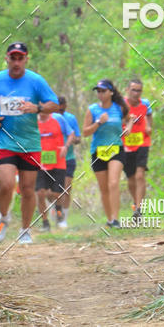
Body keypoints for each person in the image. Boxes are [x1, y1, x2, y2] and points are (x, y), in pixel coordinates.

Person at [0, 42, 59, 244]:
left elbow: (55, 104)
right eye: (12, 58)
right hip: (4, 140)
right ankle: (4, 217)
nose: (16, 62)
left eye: (20, 58)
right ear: (6, 58)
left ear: (26, 59)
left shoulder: (35, 80)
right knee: (5, 184)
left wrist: (37, 107)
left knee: (27, 189)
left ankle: (25, 229)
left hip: (30, 143)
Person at [83, 79, 132, 227]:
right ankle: (110, 219)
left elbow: (130, 118)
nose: (100, 94)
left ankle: (116, 219)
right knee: (104, 188)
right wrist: (98, 122)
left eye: (103, 91)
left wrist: (128, 127)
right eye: (98, 91)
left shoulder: (119, 108)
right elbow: (85, 132)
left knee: (113, 183)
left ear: (111, 92)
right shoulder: (92, 109)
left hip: (116, 149)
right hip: (98, 151)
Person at [36, 108, 71, 230]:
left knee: (56, 194)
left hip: (58, 163)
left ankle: (59, 211)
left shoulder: (58, 119)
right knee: (40, 193)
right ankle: (45, 223)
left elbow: (71, 133)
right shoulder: (33, 121)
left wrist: (66, 146)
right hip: (40, 164)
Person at [123, 78, 153, 218]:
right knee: (131, 178)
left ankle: (139, 208)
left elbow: (149, 115)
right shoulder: (120, 105)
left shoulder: (145, 104)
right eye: (133, 90)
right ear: (127, 90)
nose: (136, 93)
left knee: (140, 175)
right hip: (126, 144)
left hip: (142, 143)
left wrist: (149, 127)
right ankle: (136, 204)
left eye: (139, 90)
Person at [58, 95, 80, 226]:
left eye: (62, 110)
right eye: (57, 110)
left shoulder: (71, 118)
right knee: (54, 191)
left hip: (69, 158)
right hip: (52, 160)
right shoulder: (50, 119)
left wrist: (71, 140)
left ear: (66, 106)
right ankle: (55, 212)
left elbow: (78, 138)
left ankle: (63, 219)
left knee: (66, 189)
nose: (59, 113)